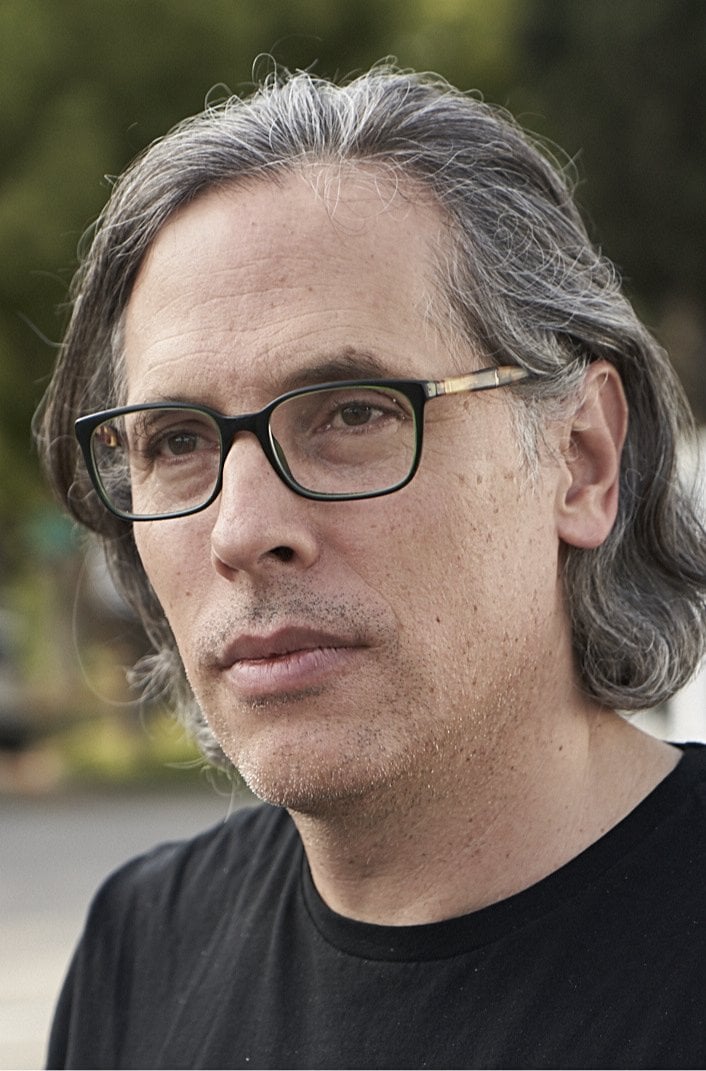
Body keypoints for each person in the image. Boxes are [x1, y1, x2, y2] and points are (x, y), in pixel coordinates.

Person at [36, 66, 706, 1069]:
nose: (241, 530)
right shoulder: (144, 949)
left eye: (353, 413)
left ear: (580, 459)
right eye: (175, 441)